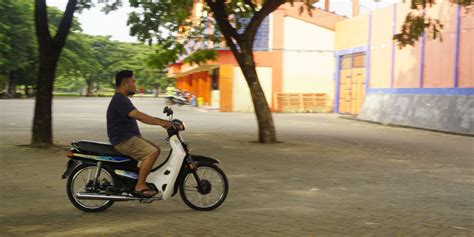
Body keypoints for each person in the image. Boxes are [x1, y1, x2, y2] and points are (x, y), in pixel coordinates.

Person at [107, 70, 173, 198]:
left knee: (156, 149)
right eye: (133, 82)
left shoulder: (121, 99)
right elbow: (139, 116)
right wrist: (162, 122)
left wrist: (164, 122)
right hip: (124, 140)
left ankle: (139, 179)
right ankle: (140, 185)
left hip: (129, 137)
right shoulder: (119, 100)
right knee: (151, 153)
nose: (135, 85)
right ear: (126, 83)